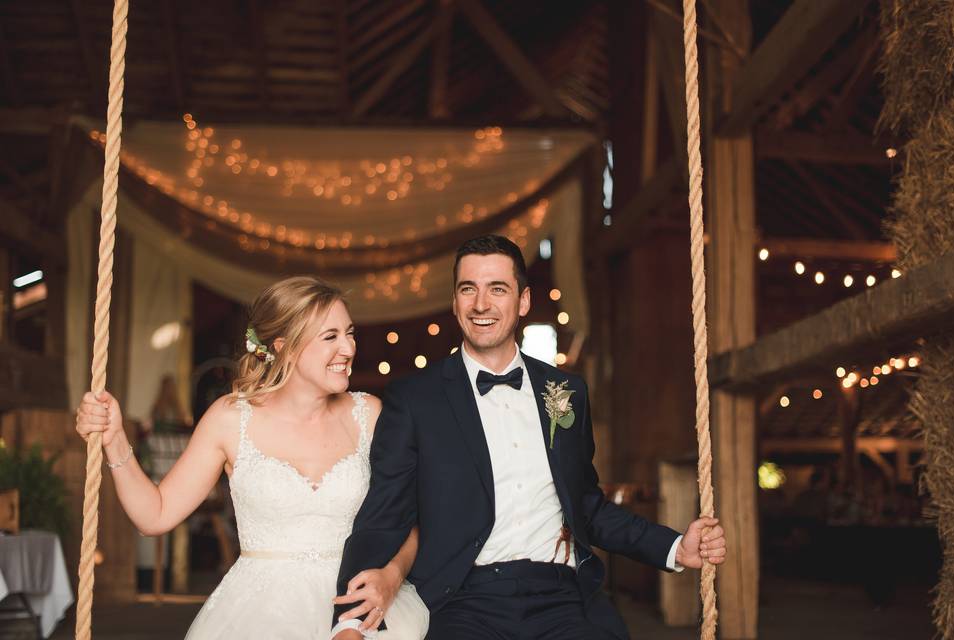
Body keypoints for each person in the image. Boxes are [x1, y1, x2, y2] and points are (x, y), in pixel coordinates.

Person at [333, 235, 726, 640]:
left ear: (523, 301)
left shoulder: (567, 391)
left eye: (497, 289)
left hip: (561, 596)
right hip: (464, 600)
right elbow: (383, 517)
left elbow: (586, 504)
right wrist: (348, 623)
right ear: (455, 302)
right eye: (468, 289)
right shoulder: (414, 399)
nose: (481, 304)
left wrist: (676, 547)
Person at [76, 276, 429, 639]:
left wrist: (391, 576)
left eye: (349, 333)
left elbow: (407, 519)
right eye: (330, 337)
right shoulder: (230, 420)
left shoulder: (369, 415)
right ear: (284, 347)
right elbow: (155, 514)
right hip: (258, 614)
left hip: (358, 607)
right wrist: (115, 439)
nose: (348, 348)